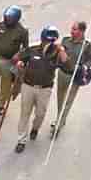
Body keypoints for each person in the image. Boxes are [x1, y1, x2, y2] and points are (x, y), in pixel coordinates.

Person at [13, 25, 68, 153]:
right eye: (46, 40)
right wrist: (19, 63)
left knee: (40, 114)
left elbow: (65, 62)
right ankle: (21, 140)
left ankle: (35, 128)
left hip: (45, 89)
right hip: (28, 86)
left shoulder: (56, 52)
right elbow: (18, 58)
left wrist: (61, 50)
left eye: (51, 41)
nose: (48, 43)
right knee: (24, 113)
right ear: (42, 38)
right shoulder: (32, 49)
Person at [52, 21, 91, 135]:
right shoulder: (65, 40)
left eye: (74, 29)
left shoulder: (87, 46)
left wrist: (85, 66)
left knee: (68, 101)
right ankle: (60, 117)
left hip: (75, 77)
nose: (71, 31)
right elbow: (58, 55)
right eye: (72, 29)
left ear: (81, 32)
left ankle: (58, 124)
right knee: (60, 98)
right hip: (62, 74)